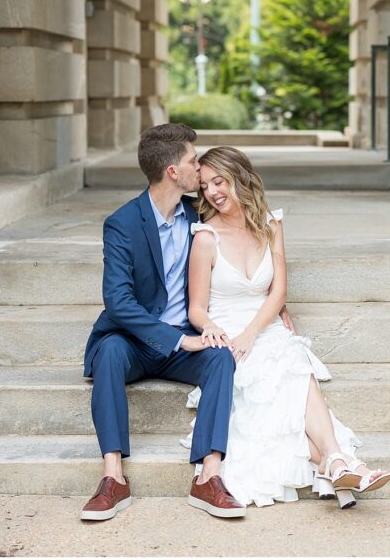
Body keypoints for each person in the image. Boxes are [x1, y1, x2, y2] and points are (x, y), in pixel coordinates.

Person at [182, 145, 390, 509]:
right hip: (228, 331)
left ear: (240, 177)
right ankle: (341, 462)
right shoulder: (205, 238)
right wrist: (218, 331)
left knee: (291, 354)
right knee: (281, 387)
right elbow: (197, 309)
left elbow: (278, 289)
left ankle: (336, 461)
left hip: (263, 324)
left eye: (219, 181)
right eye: (204, 187)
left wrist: (256, 331)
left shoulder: (270, 224)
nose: (213, 192)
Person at [80, 124, 250, 521]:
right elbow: (118, 302)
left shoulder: (199, 212)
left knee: (221, 358)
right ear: (173, 172)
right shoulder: (122, 223)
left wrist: (277, 300)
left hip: (187, 338)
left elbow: (249, 228)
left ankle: (208, 477)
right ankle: (112, 478)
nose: (200, 169)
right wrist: (176, 341)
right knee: (108, 352)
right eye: (193, 161)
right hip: (134, 340)